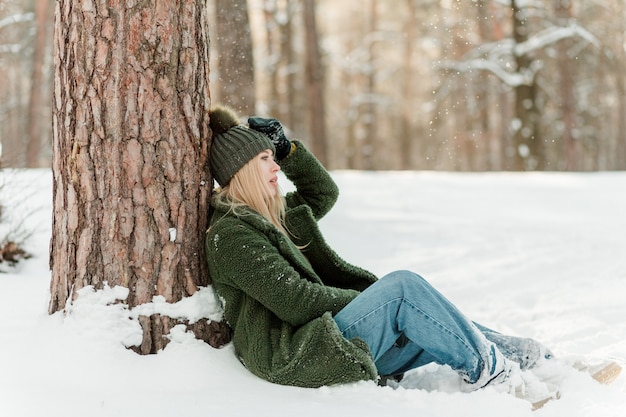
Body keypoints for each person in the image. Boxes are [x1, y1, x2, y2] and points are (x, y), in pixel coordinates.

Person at [204, 105, 553, 392]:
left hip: (326, 337)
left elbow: (323, 193)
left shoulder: (274, 218)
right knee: (403, 289)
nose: (276, 167)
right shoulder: (232, 234)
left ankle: (536, 361)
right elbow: (297, 302)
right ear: (243, 169)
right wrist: (375, 304)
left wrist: (287, 149)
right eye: (265, 158)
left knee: (435, 314)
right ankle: (494, 377)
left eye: (273, 157)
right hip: (297, 354)